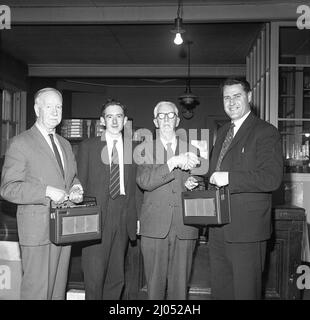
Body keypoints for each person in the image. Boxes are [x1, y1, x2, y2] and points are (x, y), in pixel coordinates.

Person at [0, 88, 83, 300]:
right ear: (37, 109)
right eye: (49, 106)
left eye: (59, 107)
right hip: (37, 232)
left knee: (57, 293)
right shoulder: (21, 143)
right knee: (36, 293)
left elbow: (70, 178)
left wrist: (75, 187)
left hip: (63, 230)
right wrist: (46, 191)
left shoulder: (65, 144)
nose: (55, 111)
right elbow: (8, 188)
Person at [207, 78, 283, 300]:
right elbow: (217, 172)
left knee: (245, 294)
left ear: (249, 97)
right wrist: (201, 181)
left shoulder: (265, 132)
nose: (231, 102)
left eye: (237, 96)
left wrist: (228, 178)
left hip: (247, 231)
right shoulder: (222, 132)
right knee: (221, 292)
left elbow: (271, 178)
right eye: (226, 97)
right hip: (218, 226)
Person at [136, 101, 200, 300]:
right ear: (155, 121)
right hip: (154, 226)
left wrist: (194, 182)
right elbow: (145, 181)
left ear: (177, 120)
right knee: (154, 288)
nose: (165, 119)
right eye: (161, 116)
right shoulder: (143, 149)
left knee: (180, 288)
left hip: (185, 224)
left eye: (170, 115)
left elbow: (203, 182)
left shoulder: (192, 149)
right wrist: (172, 162)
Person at [77, 99, 137, 300]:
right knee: (94, 278)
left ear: (125, 120)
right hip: (95, 217)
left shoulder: (134, 148)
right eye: (109, 116)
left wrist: (136, 219)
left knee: (116, 277)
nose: (114, 121)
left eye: (118, 116)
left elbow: (136, 189)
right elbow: (80, 183)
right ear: (102, 121)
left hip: (122, 216)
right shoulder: (88, 146)